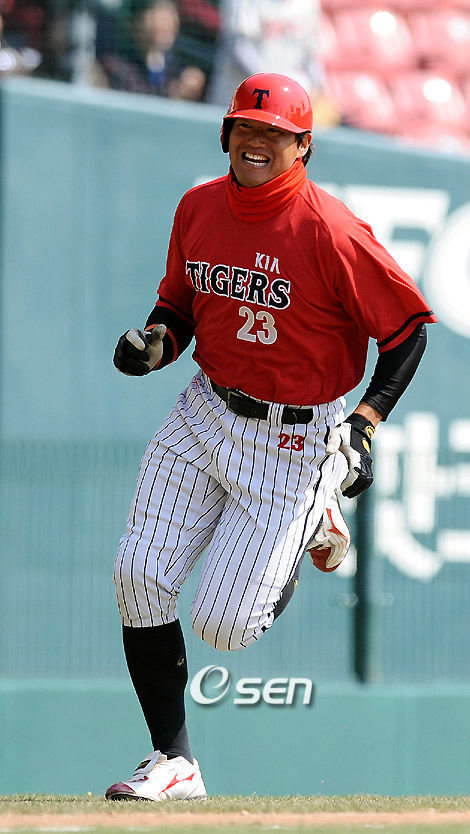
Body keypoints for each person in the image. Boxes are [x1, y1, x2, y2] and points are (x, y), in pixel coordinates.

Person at [106, 72, 437, 802]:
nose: (257, 143)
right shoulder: (198, 206)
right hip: (205, 410)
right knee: (138, 574)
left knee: (224, 627)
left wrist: (364, 423)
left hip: (295, 438)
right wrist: (156, 346)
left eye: (275, 134)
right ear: (226, 134)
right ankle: (173, 761)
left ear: (303, 146)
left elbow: (408, 332)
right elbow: (178, 307)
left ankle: (317, 511)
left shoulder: (330, 229)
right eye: (246, 128)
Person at [207, 0, 341, 127]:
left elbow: (310, 53)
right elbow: (235, 47)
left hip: (286, 106)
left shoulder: (308, 3)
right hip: (240, 105)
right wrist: (270, 85)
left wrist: (319, 87)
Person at [96, 0, 206, 101]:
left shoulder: (178, 70)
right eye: (158, 15)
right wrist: (175, 99)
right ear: (134, 22)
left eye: (171, 15)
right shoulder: (114, 67)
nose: (166, 25)